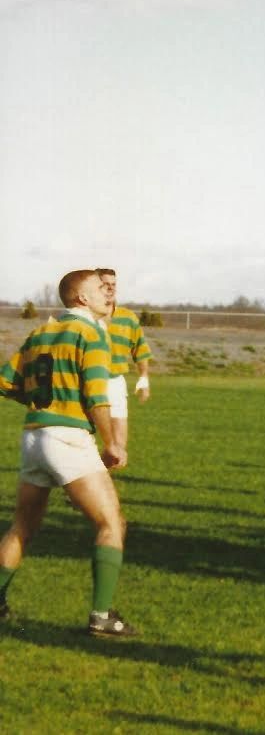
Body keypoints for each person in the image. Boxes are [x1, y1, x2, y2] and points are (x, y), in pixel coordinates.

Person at [0, 270, 137, 636]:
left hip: (33, 437)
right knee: (111, 523)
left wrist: (40, 400)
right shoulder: (90, 334)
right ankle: (102, 616)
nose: (107, 293)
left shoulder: (40, 333)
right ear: (81, 299)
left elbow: (5, 380)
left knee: (22, 527)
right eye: (99, 289)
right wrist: (112, 442)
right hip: (68, 438)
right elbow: (96, 396)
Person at [95, 268, 152, 455]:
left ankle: (103, 480)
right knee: (82, 442)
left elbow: (141, 351)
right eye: (105, 284)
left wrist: (143, 380)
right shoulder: (85, 318)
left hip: (115, 384)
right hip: (88, 384)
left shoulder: (128, 318)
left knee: (119, 447)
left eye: (113, 284)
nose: (110, 288)